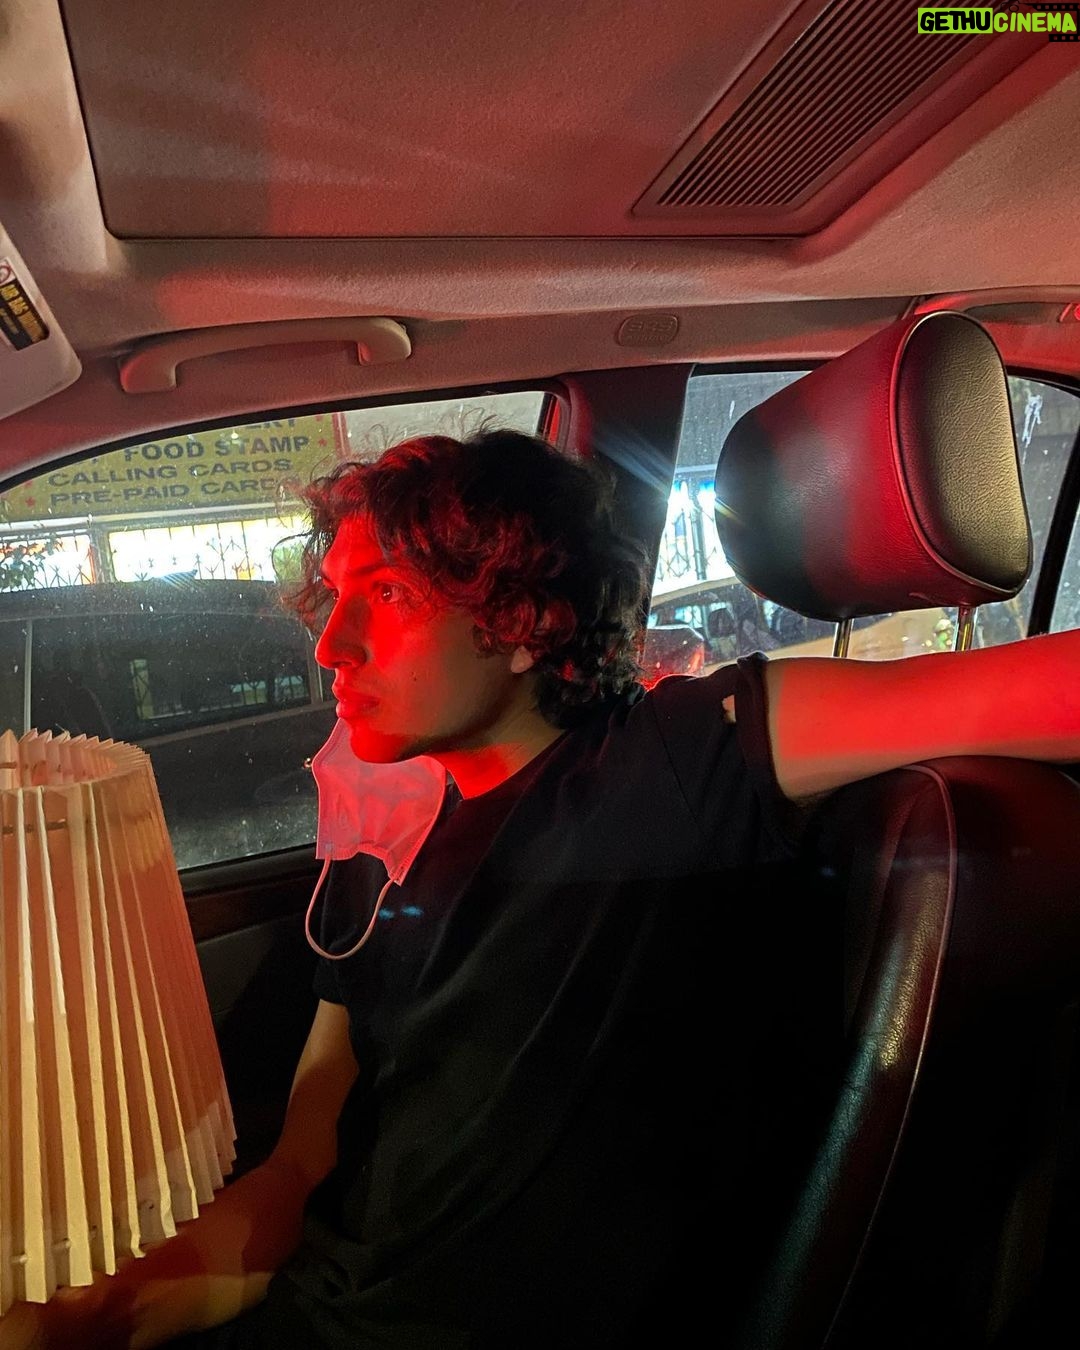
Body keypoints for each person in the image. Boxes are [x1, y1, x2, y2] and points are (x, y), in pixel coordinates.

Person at [3, 430, 1079, 1350]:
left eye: (388, 594)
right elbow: (301, 1165)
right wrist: (116, 1308)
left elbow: (1043, 689)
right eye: (336, 597)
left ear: (520, 619)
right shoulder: (389, 847)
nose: (331, 644)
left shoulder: (669, 763)